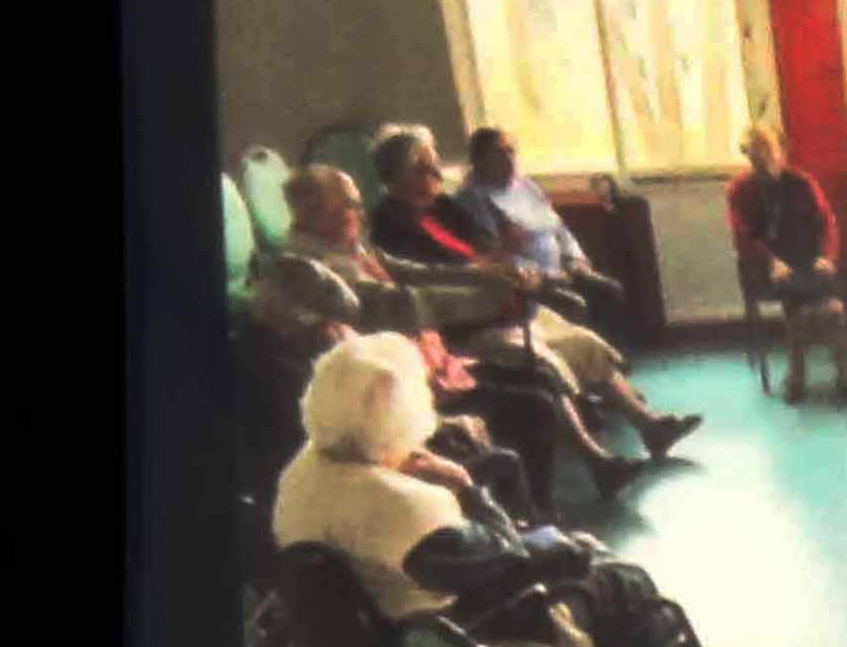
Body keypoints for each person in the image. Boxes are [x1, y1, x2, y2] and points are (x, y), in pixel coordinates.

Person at [274, 334, 688, 647]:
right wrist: (466, 487)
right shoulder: (407, 508)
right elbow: (509, 557)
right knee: (623, 579)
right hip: (463, 635)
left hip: (380, 625)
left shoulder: (301, 472)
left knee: (565, 535)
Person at [251, 204, 631, 510]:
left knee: (536, 390)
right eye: (349, 205)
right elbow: (403, 304)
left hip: (425, 367)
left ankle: (542, 512)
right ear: (315, 213)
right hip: (407, 386)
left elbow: (421, 274)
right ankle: (528, 520)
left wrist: (486, 277)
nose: (359, 210)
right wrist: (487, 299)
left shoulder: (354, 249)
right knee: (529, 406)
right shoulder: (316, 278)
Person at [361, 131, 700, 463]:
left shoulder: (445, 208)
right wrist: (485, 278)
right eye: (422, 168)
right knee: (545, 362)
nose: (435, 174)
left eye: (434, 165)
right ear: (394, 177)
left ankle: (648, 425)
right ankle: (595, 460)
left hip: (510, 305)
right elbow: (426, 280)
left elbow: (490, 247)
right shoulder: (390, 226)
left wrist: (508, 265)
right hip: (466, 326)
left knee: (584, 342)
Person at [242, 249, 535, 520]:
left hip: (357, 471)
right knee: (499, 463)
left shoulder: (285, 349)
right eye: (330, 324)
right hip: (343, 495)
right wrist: (414, 461)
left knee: (495, 456)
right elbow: (341, 447)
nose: (337, 333)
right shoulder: (282, 374)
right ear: (296, 317)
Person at [452, 127, 634, 342]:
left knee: (610, 290)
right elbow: (493, 254)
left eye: (511, 151)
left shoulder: (526, 186)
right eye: (499, 153)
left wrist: (575, 258)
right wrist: (543, 273)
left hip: (564, 270)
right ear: (479, 160)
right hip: (528, 282)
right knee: (576, 304)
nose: (509, 159)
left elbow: (558, 227)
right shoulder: (472, 199)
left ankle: (608, 356)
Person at [730, 123, 847, 398]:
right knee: (804, 309)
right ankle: (798, 377)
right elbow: (745, 237)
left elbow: (827, 223)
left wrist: (826, 255)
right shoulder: (740, 190)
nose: (765, 156)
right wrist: (771, 262)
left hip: (810, 260)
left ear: (781, 150)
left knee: (834, 310)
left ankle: (843, 379)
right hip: (770, 267)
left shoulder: (802, 182)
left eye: (769, 149)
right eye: (757, 151)